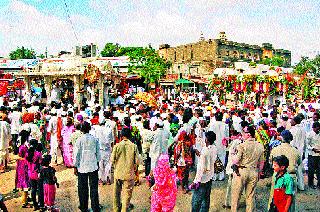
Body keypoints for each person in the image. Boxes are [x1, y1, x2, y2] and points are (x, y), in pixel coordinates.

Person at [231, 125, 264, 212]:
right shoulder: (260, 146)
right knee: (250, 195)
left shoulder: (241, 146)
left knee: (236, 195)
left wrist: (232, 154)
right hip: (254, 171)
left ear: (248, 134)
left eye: (244, 132)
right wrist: (259, 173)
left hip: (241, 171)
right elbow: (261, 162)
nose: (242, 134)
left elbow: (235, 160)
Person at [269, 130, 301, 211]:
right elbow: (299, 162)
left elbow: (270, 161)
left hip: (277, 176)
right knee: (290, 200)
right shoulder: (296, 151)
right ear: (290, 139)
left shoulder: (275, 149)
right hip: (291, 176)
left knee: (274, 197)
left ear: (281, 138)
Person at [73, 121, 101, 212]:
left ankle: (84, 207)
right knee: (94, 188)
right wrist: (97, 163)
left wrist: (75, 166)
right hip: (93, 166)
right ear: (89, 129)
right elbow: (98, 153)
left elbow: (76, 154)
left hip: (82, 167)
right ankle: (95, 207)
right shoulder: (95, 139)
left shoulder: (79, 140)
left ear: (81, 130)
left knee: (82, 188)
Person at [111, 127, 140, 212]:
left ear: (121, 136)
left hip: (118, 173)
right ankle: (124, 209)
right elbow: (137, 161)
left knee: (116, 193)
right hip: (129, 174)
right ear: (129, 136)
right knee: (127, 194)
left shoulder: (117, 146)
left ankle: (116, 209)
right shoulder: (133, 146)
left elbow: (112, 160)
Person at [190, 131, 217, 212]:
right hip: (209, 177)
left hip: (202, 180)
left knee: (196, 201)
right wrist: (201, 155)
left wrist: (195, 181)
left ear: (207, 140)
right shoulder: (214, 148)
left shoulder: (205, 151)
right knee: (206, 198)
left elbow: (200, 169)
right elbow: (211, 160)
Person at [208, 111, 229, 181]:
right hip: (222, 145)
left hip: (214, 144)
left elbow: (210, 135)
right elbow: (227, 136)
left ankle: (214, 176)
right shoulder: (225, 125)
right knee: (222, 160)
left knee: (213, 160)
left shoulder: (212, 125)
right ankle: (221, 176)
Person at [27, 139, 43, 211]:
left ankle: (35, 205)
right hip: (37, 173)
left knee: (33, 189)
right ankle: (40, 204)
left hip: (30, 173)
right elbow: (41, 162)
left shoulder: (27, 153)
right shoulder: (38, 153)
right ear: (36, 145)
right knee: (40, 189)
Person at [15, 131, 29, 208]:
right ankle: (24, 201)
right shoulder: (24, 147)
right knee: (25, 182)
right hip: (24, 165)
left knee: (23, 181)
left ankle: (25, 198)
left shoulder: (20, 146)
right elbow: (25, 157)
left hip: (20, 165)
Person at [306, 121, 320, 189]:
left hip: (319, 155)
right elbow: (307, 145)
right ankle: (310, 184)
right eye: (317, 128)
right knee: (311, 170)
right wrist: (312, 148)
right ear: (313, 128)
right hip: (312, 154)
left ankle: (319, 184)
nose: (318, 130)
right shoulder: (310, 134)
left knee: (319, 170)